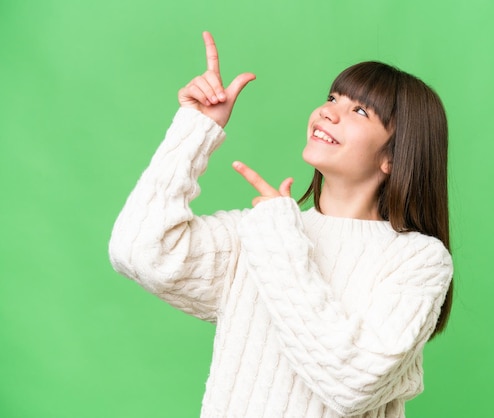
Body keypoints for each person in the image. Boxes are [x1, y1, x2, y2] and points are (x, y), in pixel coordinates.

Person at [109, 31, 453, 418]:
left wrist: (279, 239)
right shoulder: (258, 233)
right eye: (332, 98)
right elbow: (139, 250)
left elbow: (354, 386)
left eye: (359, 111)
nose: (328, 111)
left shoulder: (419, 260)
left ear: (393, 156)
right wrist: (195, 128)